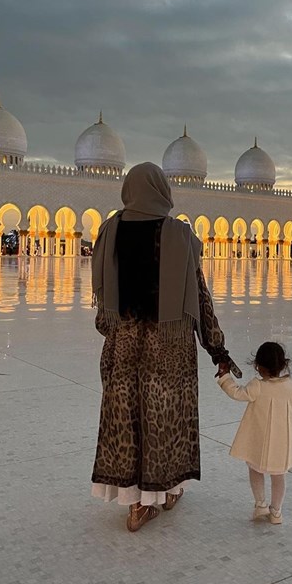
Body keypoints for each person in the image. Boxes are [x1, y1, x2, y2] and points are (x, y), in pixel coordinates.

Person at [91, 162, 239, 532]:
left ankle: (134, 507)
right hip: (169, 349)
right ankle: (166, 494)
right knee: (166, 421)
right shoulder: (179, 235)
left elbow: (102, 313)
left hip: (123, 346)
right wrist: (217, 350)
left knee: (126, 422)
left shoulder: (110, 231)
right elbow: (200, 300)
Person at [216, 342, 292, 524]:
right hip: (282, 443)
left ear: (257, 366)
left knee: (255, 469)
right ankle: (276, 512)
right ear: (284, 364)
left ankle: (260, 504)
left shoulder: (257, 386)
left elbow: (237, 393)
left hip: (259, 442)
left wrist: (225, 376)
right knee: (279, 475)